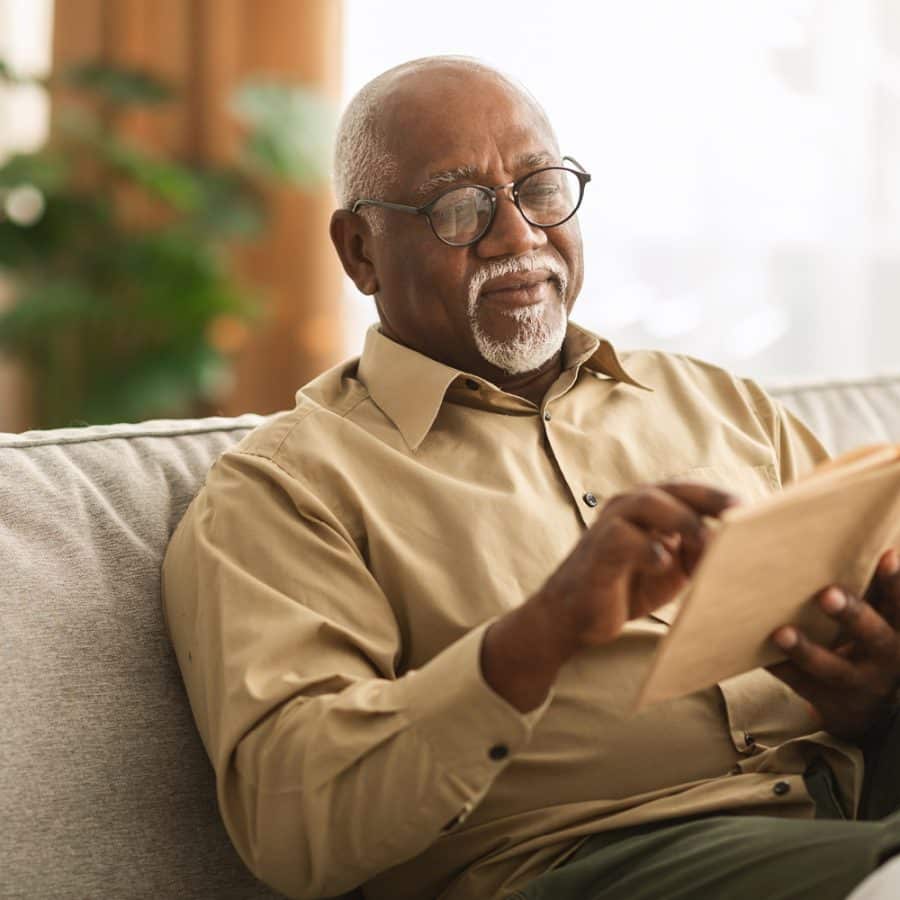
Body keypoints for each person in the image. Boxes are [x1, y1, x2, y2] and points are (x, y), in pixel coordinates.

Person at [161, 56, 900, 900]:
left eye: (540, 187)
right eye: (459, 207)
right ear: (360, 250)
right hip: (592, 862)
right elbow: (295, 829)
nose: (518, 236)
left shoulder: (714, 400)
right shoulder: (287, 492)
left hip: (852, 804)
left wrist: (875, 692)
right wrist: (539, 633)